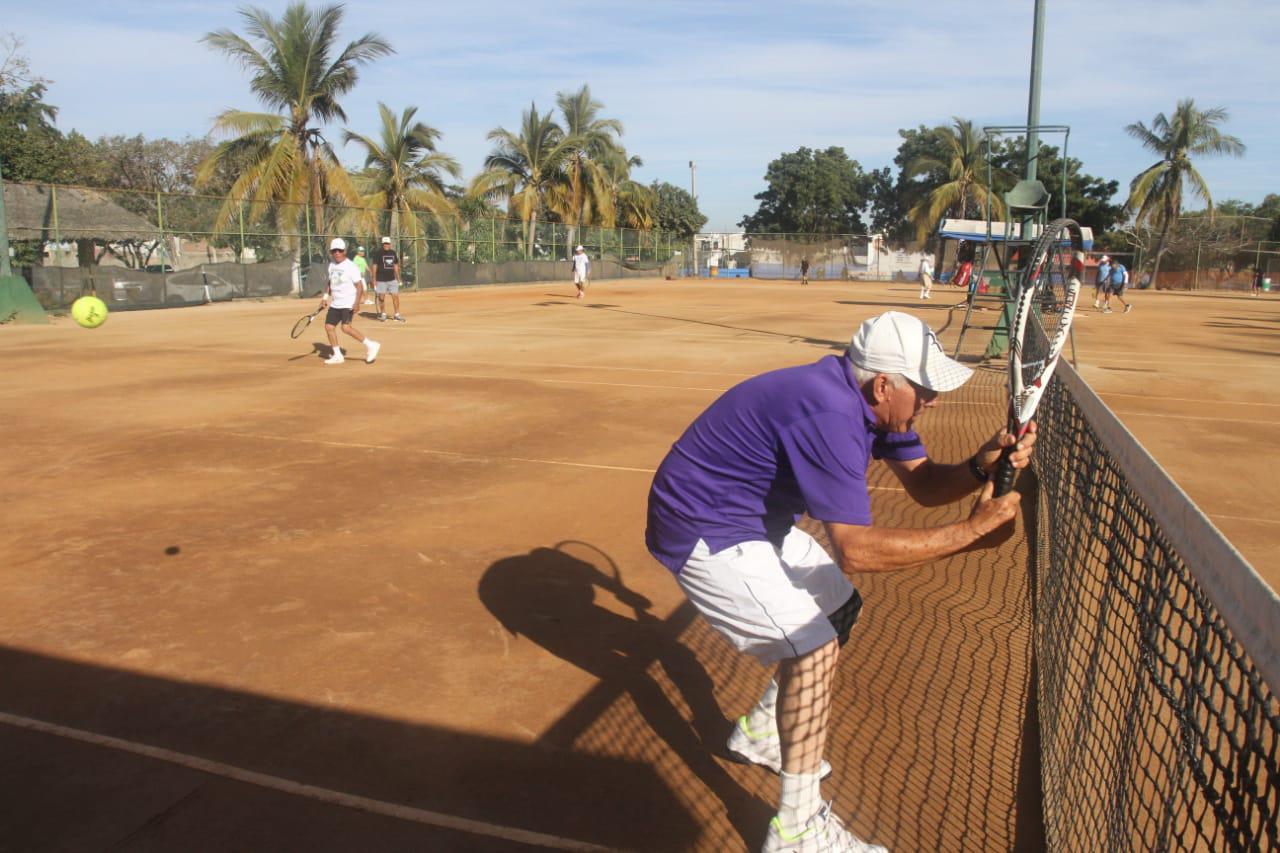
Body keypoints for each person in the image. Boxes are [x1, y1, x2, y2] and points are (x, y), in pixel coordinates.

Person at [645, 311, 1036, 853]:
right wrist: (970, 533)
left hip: (756, 521)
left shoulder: (872, 407)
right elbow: (856, 550)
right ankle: (797, 830)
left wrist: (979, 466)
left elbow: (924, 487)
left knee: (838, 608)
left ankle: (763, 734)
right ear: (883, 384)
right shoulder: (830, 412)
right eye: (925, 391)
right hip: (704, 526)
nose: (933, 402)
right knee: (815, 649)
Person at [320, 238, 379, 365]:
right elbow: (330, 282)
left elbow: (359, 286)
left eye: (339, 250)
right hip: (336, 303)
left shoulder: (350, 266)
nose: (337, 253)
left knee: (346, 328)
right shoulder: (332, 265)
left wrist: (357, 303)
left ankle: (371, 345)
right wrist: (325, 297)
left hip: (348, 303)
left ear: (344, 251)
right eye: (334, 251)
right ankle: (337, 355)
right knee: (329, 327)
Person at [374, 236, 404, 322]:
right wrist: (374, 279)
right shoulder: (378, 253)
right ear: (382, 244)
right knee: (381, 297)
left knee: (395, 296)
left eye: (387, 243)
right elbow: (374, 266)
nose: (386, 245)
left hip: (392, 279)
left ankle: (397, 314)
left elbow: (395, 266)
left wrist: (398, 278)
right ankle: (383, 314)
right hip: (381, 279)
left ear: (390, 244)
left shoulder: (393, 253)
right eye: (384, 244)